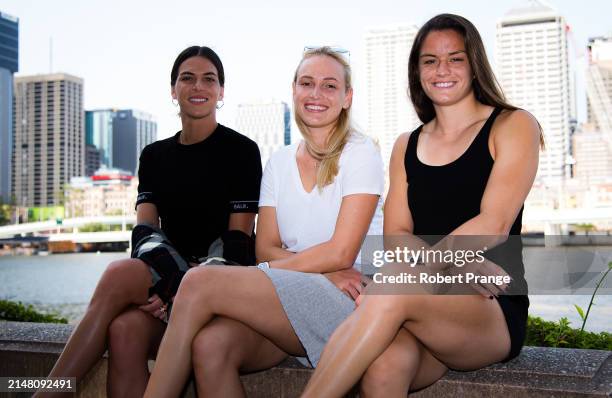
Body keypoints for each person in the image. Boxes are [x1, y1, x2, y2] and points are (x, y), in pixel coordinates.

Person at [301, 13, 543, 398]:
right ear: (417, 71)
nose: (441, 69)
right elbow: (396, 237)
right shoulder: (405, 145)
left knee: (390, 287)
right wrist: (450, 265)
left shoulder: (512, 124)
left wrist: (439, 267)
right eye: (430, 60)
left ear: (474, 64)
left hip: (490, 304)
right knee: (382, 368)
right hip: (422, 305)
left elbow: (494, 223)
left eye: (455, 58)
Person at [142, 46, 384, 398]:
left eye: (330, 86)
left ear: (347, 98)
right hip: (293, 293)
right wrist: (318, 269)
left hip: (353, 297)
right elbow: (264, 248)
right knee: (210, 346)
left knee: (198, 282)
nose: (316, 94)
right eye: (307, 83)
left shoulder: (361, 152)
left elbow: (342, 253)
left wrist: (317, 268)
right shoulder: (279, 162)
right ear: (294, 90)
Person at [36, 46, 262, 398]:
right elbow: (145, 234)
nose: (198, 86)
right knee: (124, 330)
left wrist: (183, 289)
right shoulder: (154, 155)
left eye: (209, 79)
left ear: (221, 92)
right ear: (173, 90)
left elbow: (238, 240)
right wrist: (171, 284)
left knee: (117, 274)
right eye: (187, 78)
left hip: (220, 283)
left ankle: (46, 394)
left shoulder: (243, 150)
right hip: (167, 274)